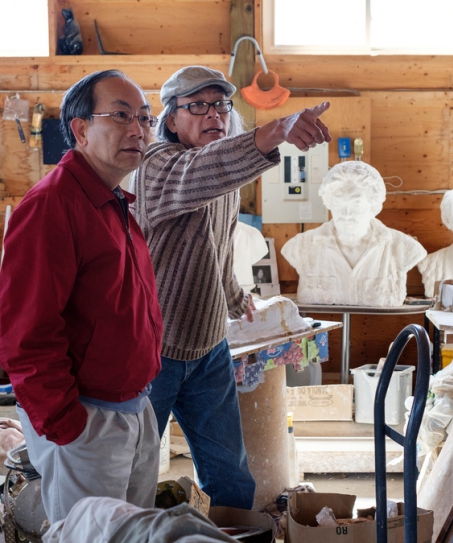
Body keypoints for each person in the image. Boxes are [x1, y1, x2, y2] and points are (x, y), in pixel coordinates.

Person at [132, 65, 330, 509]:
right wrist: (279, 129)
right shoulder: (157, 165)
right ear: (170, 120)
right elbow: (205, 169)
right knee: (133, 480)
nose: (213, 115)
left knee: (233, 481)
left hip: (207, 349)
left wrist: (237, 297)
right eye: (196, 106)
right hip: (151, 352)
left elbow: (217, 247)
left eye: (220, 105)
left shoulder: (223, 181)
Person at [0, 70, 163, 522]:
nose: (139, 130)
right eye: (122, 116)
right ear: (81, 129)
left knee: (129, 534)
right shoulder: (53, 205)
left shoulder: (112, 201)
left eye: (145, 118)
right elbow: (24, 334)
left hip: (132, 407)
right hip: (87, 420)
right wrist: (67, 426)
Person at [281, 161, 426, 307]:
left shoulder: (402, 247)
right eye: (338, 203)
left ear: (373, 204)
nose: (346, 214)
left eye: (356, 204)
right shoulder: (300, 247)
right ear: (329, 203)